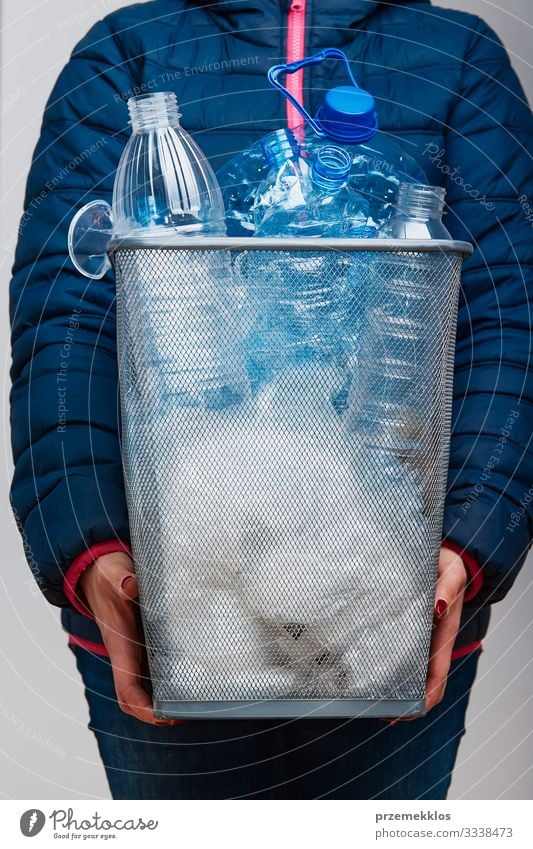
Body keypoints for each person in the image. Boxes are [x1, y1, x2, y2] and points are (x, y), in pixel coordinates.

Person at [8, 0, 533, 799]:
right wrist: (92, 555)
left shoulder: (453, 54)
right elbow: (65, 315)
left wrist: (466, 549)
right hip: (164, 604)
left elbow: (510, 316)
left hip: (395, 598)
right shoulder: (130, 49)